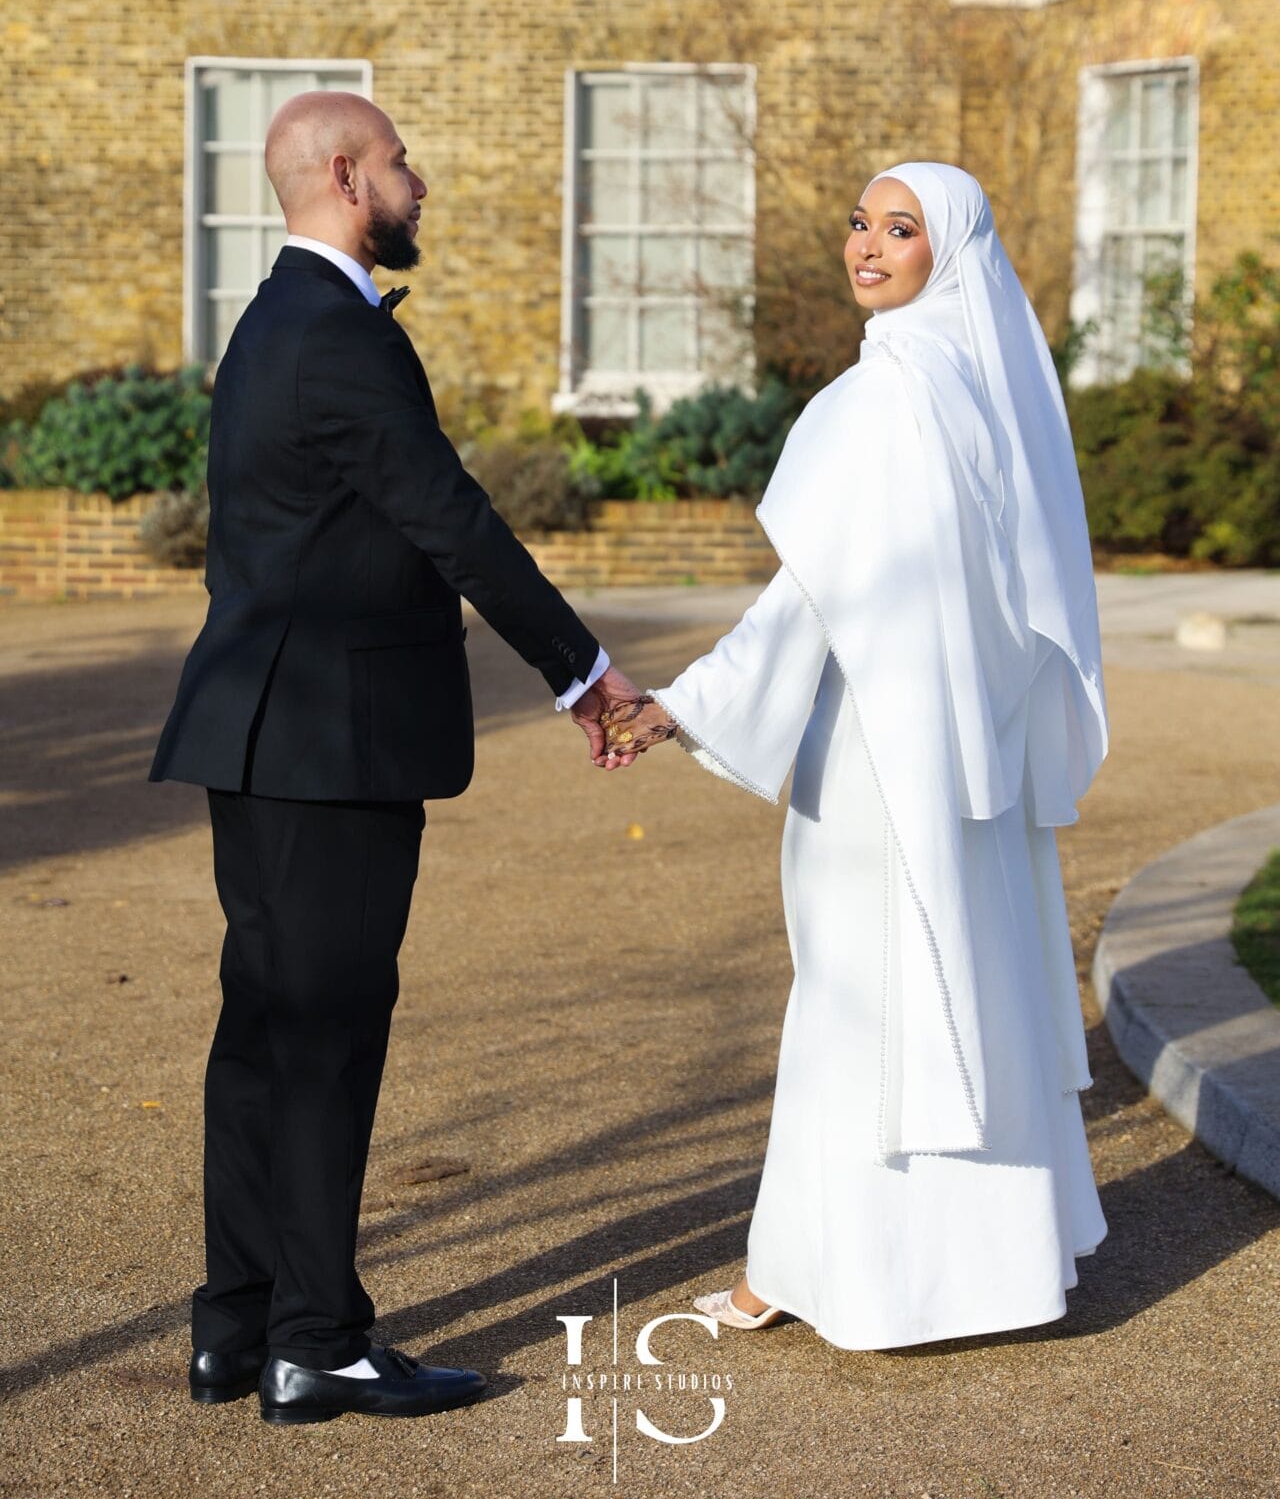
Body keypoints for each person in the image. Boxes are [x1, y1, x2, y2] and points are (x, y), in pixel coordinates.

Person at [150, 91, 640, 1425]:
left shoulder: (268, 326)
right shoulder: (336, 334)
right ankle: (317, 1339)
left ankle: (236, 1327)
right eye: (406, 163)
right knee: (322, 1042)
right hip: (329, 743)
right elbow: (454, 521)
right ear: (348, 174)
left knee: (261, 1032)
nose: (422, 184)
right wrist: (584, 673)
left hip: (259, 733)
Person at [607, 161, 1109, 1350]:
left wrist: (686, 702)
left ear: (952, 253)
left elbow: (818, 600)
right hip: (956, 752)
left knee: (855, 1003)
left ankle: (804, 1272)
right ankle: (982, 1270)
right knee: (953, 988)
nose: (866, 246)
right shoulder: (977, 390)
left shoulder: (889, 397)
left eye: (901, 228)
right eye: (858, 222)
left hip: (885, 755)